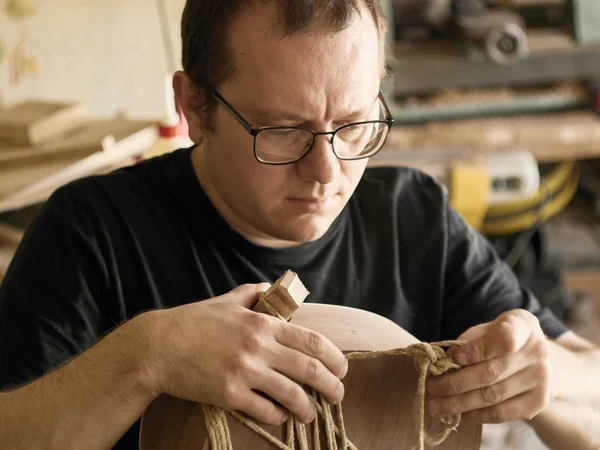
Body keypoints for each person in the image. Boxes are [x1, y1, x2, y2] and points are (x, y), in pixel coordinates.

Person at [1, 0, 599, 448]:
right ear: (193, 109)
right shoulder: (92, 232)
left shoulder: (412, 217)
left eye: (355, 124)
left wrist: (549, 375)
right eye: (282, 131)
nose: (326, 171)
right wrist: (145, 358)